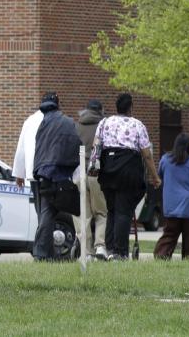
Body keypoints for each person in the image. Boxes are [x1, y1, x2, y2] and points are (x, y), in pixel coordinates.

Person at [91, 93, 161, 260]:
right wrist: (155, 177)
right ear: (131, 107)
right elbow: (147, 154)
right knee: (123, 211)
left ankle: (108, 249)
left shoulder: (104, 122)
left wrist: (93, 168)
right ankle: (119, 252)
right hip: (129, 170)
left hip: (108, 169)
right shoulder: (137, 125)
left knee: (112, 210)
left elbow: (96, 146)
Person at [31, 93, 81, 261]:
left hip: (43, 175)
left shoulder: (41, 123)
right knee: (53, 214)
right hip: (60, 176)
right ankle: (42, 253)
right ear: (58, 105)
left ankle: (43, 253)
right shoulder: (68, 122)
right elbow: (76, 145)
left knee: (47, 214)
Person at [153, 133, 189, 260]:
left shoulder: (165, 159)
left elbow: (160, 175)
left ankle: (161, 256)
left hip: (171, 205)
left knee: (169, 234)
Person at [76, 99, 109, 259]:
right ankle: (100, 246)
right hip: (96, 174)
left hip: (79, 173)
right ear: (101, 110)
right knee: (101, 212)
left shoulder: (77, 126)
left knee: (85, 215)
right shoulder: (104, 127)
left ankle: (86, 251)